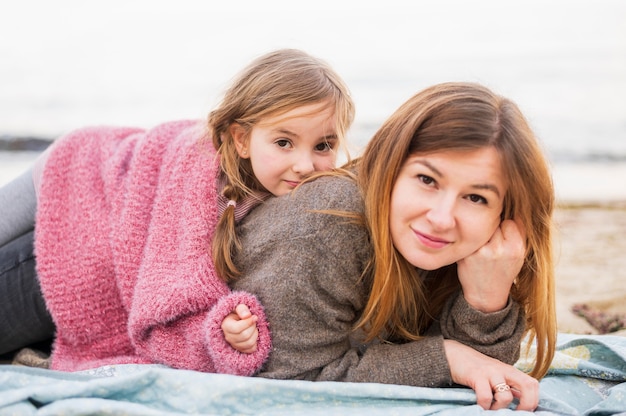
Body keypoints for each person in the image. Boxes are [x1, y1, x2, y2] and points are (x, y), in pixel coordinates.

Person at [0, 48, 355, 375]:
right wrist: (215, 332)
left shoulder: (282, 184)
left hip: (100, 190)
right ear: (241, 140)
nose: (306, 165)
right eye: (284, 142)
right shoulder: (202, 181)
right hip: (75, 173)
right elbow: (167, 296)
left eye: (324, 145)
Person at [227, 82, 555, 411]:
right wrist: (447, 358)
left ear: (504, 215)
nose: (442, 219)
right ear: (391, 166)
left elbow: (482, 375)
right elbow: (293, 378)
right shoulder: (326, 222)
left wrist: (486, 300)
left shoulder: (474, 253)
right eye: (427, 180)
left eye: (476, 198)